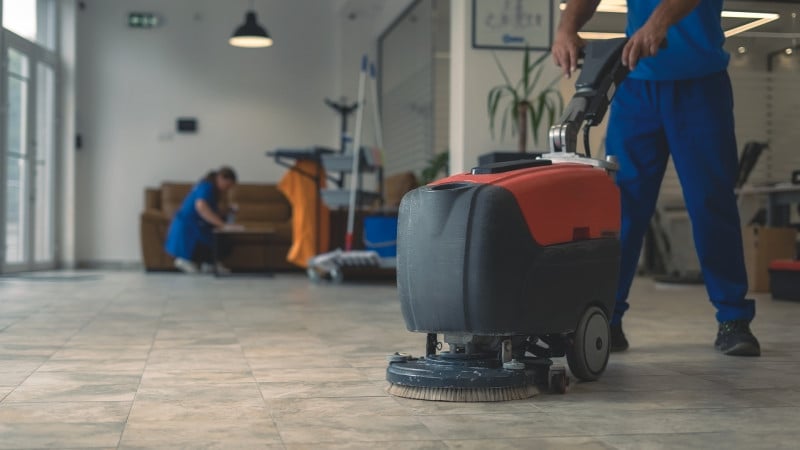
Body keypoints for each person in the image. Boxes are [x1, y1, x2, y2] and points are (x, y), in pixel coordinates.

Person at [552, 0, 760, 356]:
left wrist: (657, 22)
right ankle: (607, 319)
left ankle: (733, 319)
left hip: (701, 84)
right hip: (636, 86)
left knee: (711, 202)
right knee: (622, 209)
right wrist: (566, 27)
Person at [165, 166, 238, 274]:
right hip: (189, 227)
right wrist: (222, 225)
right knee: (220, 239)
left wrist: (227, 212)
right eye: (227, 185)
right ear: (221, 178)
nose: (227, 189)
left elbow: (212, 211)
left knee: (222, 239)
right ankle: (185, 260)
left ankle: (209, 264)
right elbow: (201, 207)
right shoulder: (206, 187)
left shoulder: (212, 189)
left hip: (198, 225)